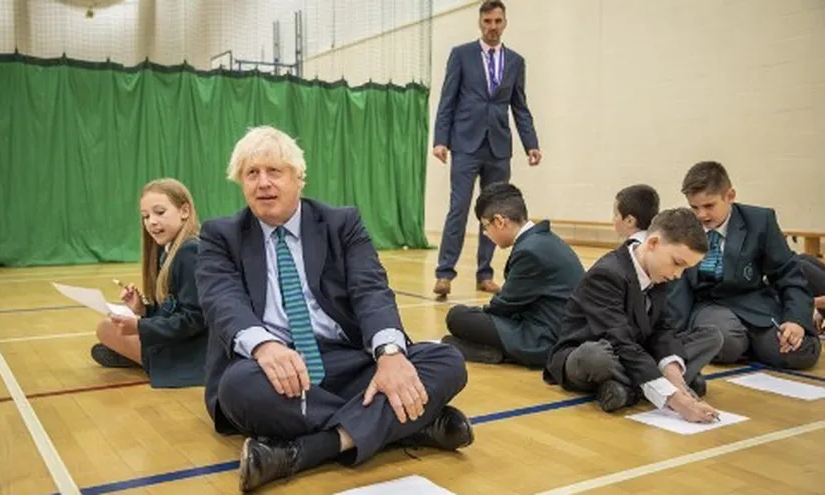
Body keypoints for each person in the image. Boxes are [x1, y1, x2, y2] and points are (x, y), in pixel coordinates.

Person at [195, 126, 473, 492]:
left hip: (349, 361)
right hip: (276, 371)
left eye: (274, 171)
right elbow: (222, 300)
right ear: (241, 183)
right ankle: (412, 423)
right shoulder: (220, 235)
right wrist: (265, 347)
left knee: (447, 360)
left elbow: (370, 288)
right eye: (252, 173)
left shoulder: (342, 223)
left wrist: (389, 355)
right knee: (236, 387)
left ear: (299, 178)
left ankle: (311, 449)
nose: (263, 183)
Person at [544, 208, 723, 421]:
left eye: (686, 269)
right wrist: (676, 399)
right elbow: (619, 340)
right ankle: (649, 388)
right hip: (594, 354)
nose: (678, 275)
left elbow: (662, 329)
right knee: (596, 356)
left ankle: (628, 391)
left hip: (634, 351)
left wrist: (674, 375)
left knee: (711, 337)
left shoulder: (658, 271)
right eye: (677, 263)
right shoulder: (607, 274)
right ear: (653, 243)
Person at [431, 0, 542, 299]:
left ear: (505, 23)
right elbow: (447, 101)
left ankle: (485, 273)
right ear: (480, 23)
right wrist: (440, 139)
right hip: (465, 144)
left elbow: (520, 106)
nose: (492, 27)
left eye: (497, 21)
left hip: (499, 147)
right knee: (459, 208)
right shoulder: (461, 55)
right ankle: (444, 273)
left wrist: (531, 144)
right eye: (487, 22)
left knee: (496, 213)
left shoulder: (516, 61)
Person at [668, 161, 821, 369]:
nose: (701, 215)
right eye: (694, 207)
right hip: (709, 306)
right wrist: (673, 338)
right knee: (726, 341)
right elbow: (678, 287)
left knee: (799, 352)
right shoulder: (683, 228)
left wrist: (795, 320)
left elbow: (788, 273)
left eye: (709, 206)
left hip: (754, 305)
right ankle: (746, 345)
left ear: (730, 196)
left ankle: (754, 344)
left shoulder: (760, 221)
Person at [443, 182, 584, 367]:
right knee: (462, 326)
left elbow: (504, 305)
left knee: (457, 316)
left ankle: (500, 351)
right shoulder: (540, 240)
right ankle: (486, 349)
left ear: (500, 221)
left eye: (485, 226)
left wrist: (478, 314)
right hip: (558, 329)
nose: (486, 233)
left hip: (546, 340)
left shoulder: (530, 251)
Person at [91, 178, 208, 388]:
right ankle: (138, 355)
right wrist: (142, 309)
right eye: (146, 216)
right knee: (108, 328)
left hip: (193, 352)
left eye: (160, 212)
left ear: (185, 211)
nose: (151, 222)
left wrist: (140, 326)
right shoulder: (168, 251)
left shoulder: (189, 251)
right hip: (180, 341)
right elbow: (172, 309)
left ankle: (144, 359)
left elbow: (194, 320)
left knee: (106, 328)